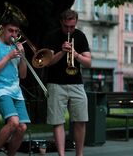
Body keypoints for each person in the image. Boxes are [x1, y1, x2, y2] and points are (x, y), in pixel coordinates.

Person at [44, 9, 91, 156]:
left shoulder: (80, 36)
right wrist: (62, 52)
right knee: (58, 121)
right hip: (56, 84)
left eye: (72, 26)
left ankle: (79, 154)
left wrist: (76, 54)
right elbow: (47, 62)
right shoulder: (52, 36)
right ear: (61, 23)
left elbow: (88, 62)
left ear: (76, 23)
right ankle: (61, 154)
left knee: (81, 120)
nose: (69, 30)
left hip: (76, 83)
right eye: (66, 27)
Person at [0, 14, 30, 156]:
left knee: (22, 127)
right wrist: (8, 57)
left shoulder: (17, 47)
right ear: (2, 29)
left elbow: (23, 75)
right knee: (14, 122)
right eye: (11, 30)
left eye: (16, 32)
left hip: (16, 91)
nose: (14, 35)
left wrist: (22, 58)